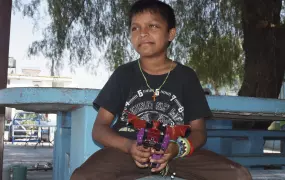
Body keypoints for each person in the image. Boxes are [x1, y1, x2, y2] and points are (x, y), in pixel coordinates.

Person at [70, 0, 252, 179]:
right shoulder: (123, 74)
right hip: (127, 154)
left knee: (239, 175)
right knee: (82, 177)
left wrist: (177, 148)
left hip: (176, 154)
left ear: (170, 34)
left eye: (153, 26)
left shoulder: (186, 77)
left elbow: (199, 132)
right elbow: (99, 129)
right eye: (135, 28)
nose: (143, 33)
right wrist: (129, 146)